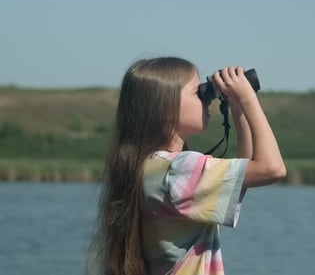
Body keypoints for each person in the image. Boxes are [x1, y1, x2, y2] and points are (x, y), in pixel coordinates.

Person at [87, 57, 286, 275]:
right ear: (166, 109)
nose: (207, 98)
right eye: (197, 92)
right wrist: (248, 98)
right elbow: (272, 169)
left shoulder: (155, 168)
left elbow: (245, 170)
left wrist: (236, 108)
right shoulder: (177, 171)